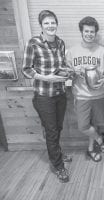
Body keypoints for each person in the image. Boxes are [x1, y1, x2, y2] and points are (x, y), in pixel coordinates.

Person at [22, 10, 72, 183]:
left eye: (53, 22)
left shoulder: (60, 42)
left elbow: (62, 65)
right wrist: (46, 78)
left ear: (56, 24)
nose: (51, 26)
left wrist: (69, 72)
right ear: (41, 26)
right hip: (44, 96)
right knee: (51, 131)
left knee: (57, 128)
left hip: (60, 94)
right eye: (47, 23)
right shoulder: (33, 43)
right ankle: (58, 166)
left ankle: (56, 153)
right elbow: (26, 69)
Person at [66, 16, 104, 162]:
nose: (89, 34)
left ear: (95, 33)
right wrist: (73, 73)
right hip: (81, 95)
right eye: (86, 31)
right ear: (81, 32)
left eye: (92, 31)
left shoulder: (103, 51)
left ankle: (91, 149)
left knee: (95, 124)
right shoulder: (72, 52)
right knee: (84, 126)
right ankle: (100, 139)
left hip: (98, 94)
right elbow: (66, 74)